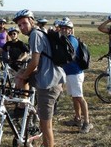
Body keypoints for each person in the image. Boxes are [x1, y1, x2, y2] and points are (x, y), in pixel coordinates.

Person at [13, 9, 66, 147]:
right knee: (20, 75)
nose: (22, 27)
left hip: (48, 85)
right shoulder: (40, 32)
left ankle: (23, 107)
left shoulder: (35, 35)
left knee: (46, 125)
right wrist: (23, 74)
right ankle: (24, 106)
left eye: (24, 23)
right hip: (49, 78)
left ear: (32, 20)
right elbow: (38, 63)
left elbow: (35, 61)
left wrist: (24, 75)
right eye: (19, 25)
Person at [60, 20, 93, 133]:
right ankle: (77, 119)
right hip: (70, 73)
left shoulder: (72, 40)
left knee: (79, 97)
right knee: (74, 97)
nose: (63, 30)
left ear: (70, 29)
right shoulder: (65, 39)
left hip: (75, 73)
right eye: (62, 28)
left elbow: (68, 54)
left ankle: (87, 122)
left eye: (66, 28)